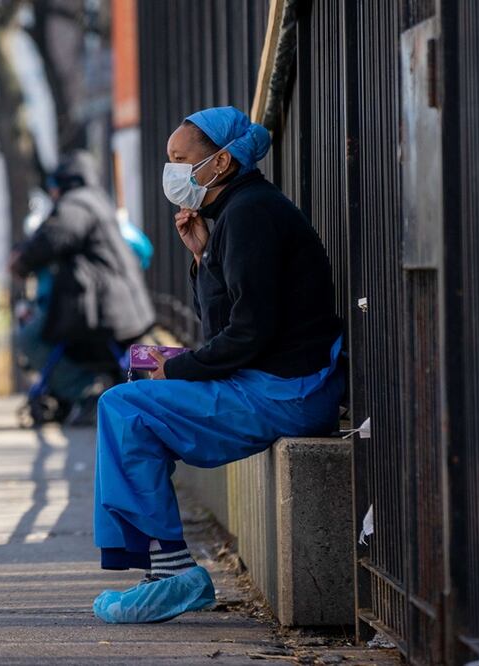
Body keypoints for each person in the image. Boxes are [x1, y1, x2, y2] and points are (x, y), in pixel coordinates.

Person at [91, 107, 345, 624]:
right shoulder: (237, 213)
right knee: (130, 401)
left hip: (286, 392)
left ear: (221, 162)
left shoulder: (251, 213)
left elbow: (249, 334)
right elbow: (230, 328)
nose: (173, 171)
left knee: (125, 409)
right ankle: (167, 569)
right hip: (277, 383)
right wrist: (204, 259)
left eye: (180, 159)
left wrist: (178, 371)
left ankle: (172, 573)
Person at [11, 150, 155, 418]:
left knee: (28, 338)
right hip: (119, 305)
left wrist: (22, 261)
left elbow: (56, 236)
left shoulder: (77, 203)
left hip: (101, 307)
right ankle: (80, 390)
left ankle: (83, 391)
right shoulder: (98, 201)